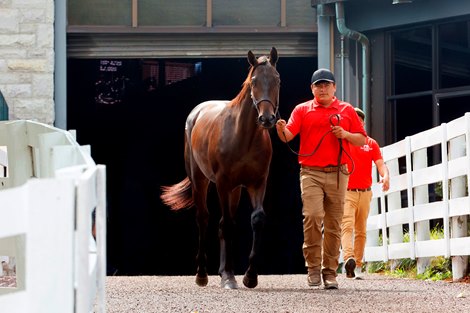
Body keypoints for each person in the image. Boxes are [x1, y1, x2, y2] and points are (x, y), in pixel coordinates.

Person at [276, 68, 367, 289]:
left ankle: (330, 272)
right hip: (311, 172)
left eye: (326, 84)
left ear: (334, 87)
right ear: (312, 89)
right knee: (313, 216)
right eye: (318, 85)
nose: (322, 88)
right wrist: (279, 129)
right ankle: (313, 268)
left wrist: (344, 134)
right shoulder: (302, 109)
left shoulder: (346, 110)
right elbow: (288, 136)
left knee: (334, 223)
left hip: (338, 172)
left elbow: (361, 139)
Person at [341, 107, 390, 279]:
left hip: (365, 192)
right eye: (355, 119)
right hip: (347, 192)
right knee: (346, 226)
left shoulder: (371, 143)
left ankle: (358, 265)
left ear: (363, 122)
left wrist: (385, 176)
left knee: (361, 230)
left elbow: (380, 164)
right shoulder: (344, 141)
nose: (358, 122)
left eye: (360, 119)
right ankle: (349, 258)